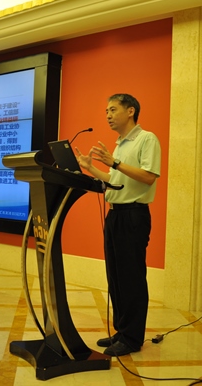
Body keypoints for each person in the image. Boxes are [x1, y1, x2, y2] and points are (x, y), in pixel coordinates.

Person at [75, 93, 161, 357]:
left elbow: (148, 176)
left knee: (131, 277)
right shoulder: (119, 145)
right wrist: (90, 168)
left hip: (133, 215)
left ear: (130, 111)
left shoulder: (146, 139)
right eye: (106, 111)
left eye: (113, 110)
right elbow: (114, 181)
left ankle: (132, 338)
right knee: (116, 276)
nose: (108, 115)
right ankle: (122, 331)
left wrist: (114, 162)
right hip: (115, 215)